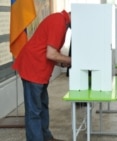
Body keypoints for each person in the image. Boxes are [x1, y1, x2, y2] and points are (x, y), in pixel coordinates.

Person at [12, 10, 71, 141]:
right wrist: (72, 60)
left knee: (42, 105)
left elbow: (48, 50)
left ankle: (46, 137)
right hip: (33, 67)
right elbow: (51, 54)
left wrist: (62, 63)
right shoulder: (59, 22)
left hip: (40, 69)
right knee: (34, 110)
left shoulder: (62, 22)